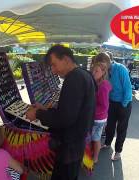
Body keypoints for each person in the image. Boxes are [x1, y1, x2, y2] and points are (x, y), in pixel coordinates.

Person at [26, 45, 96, 180]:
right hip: (76, 144)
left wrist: (37, 114)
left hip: (69, 147)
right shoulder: (84, 74)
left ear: (65, 59)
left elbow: (65, 118)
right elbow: (72, 111)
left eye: (54, 65)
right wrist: (46, 110)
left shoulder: (74, 78)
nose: (53, 70)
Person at [94, 51, 132, 161]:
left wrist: (123, 105)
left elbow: (128, 88)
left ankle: (118, 151)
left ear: (106, 62)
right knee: (110, 125)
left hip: (124, 103)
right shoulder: (105, 72)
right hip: (112, 102)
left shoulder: (121, 69)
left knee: (121, 128)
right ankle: (107, 143)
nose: (99, 67)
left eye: (101, 65)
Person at [90, 54, 112, 163]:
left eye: (97, 71)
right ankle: (92, 154)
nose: (94, 73)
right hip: (95, 117)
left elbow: (104, 106)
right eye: (93, 71)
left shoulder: (103, 86)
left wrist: (91, 111)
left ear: (103, 72)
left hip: (98, 119)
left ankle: (95, 158)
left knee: (96, 138)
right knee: (93, 137)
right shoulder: (97, 83)